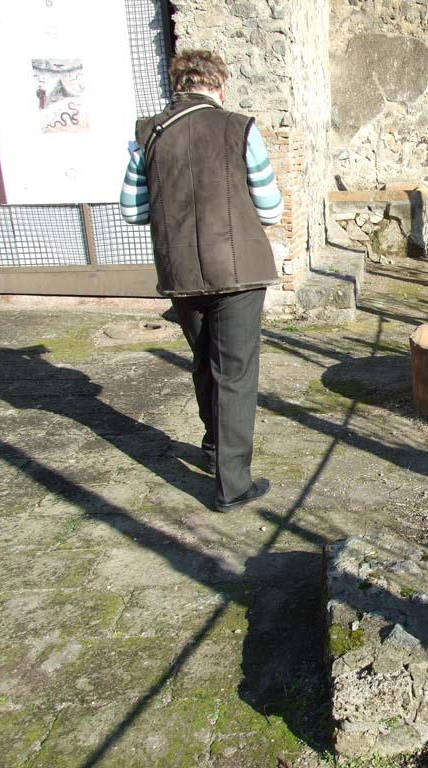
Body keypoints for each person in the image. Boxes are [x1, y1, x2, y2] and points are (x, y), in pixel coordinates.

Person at [120, 49, 283, 512]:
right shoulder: (240, 128)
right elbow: (271, 207)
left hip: (182, 273)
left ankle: (213, 451)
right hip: (239, 271)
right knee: (235, 373)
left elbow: (132, 210)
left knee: (203, 362)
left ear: (177, 86)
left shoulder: (147, 134)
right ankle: (232, 486)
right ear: (220, 87)